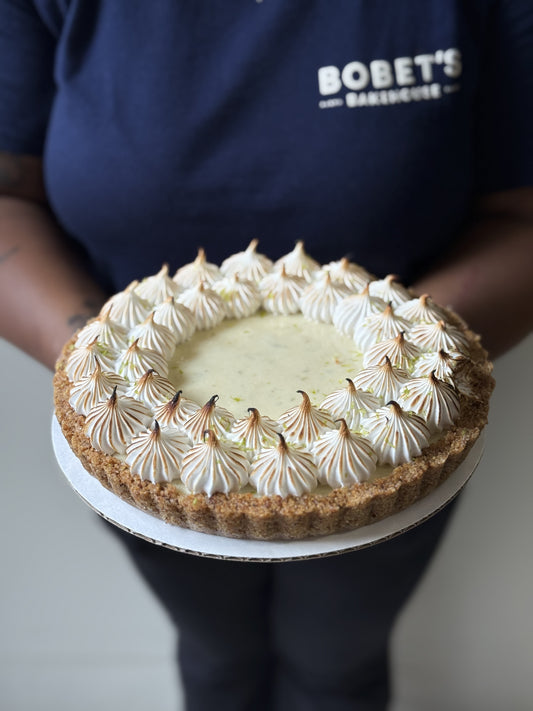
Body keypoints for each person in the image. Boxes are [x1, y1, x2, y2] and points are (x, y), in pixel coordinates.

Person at [1, 2, 532, 709]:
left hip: (393, 431)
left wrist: (417, 352)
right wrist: (102, 361)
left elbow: (521, 210)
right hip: (144, 436)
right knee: (217, 653)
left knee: (340, 662)